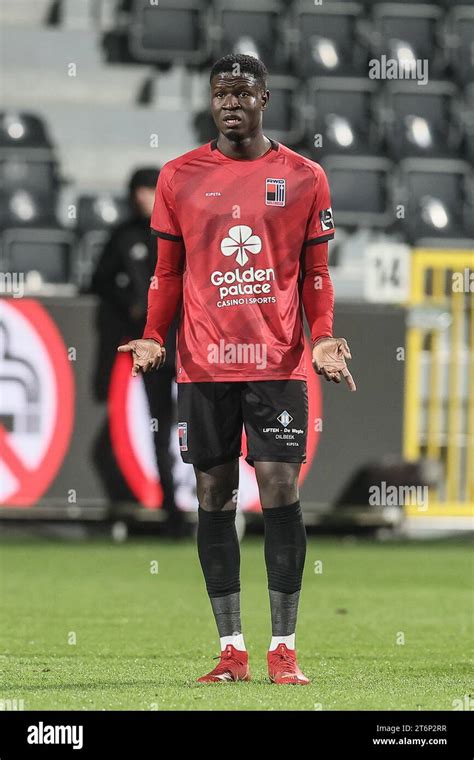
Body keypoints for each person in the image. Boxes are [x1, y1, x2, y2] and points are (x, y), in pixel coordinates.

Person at [118, 54, 356, 684]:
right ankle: (231, 650)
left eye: (242, 93)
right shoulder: (179, 177)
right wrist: (151, 336)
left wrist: (325, 339)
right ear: (211, 101)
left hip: (277, 362)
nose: (230, 102)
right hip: (202, 364)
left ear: (264, 100)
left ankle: (285, 648)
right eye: (221, 92)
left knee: (279, 484)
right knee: (213, 493)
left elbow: (316, 275)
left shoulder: (304, 177)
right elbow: (167, 274)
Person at [91, 168, 182, 534]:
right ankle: (170, 507)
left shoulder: (178, 230)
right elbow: (99, 281)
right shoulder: (124, 235)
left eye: (149, 190)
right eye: (139, 190)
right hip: (149, 346)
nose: (143, 197)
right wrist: (129, 304)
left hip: (189, 342)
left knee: (205, 422)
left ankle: (218, 505)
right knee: (159, 425)